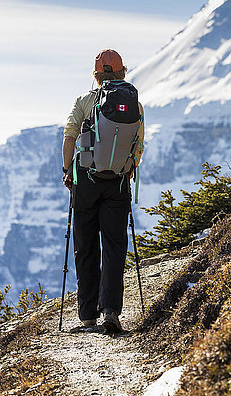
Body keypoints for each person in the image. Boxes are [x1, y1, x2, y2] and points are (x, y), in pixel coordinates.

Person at [62, 49, 144, 332]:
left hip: (86, 180)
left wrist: (67, 172)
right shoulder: (133, 103)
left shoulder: (84, 101)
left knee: (85, 247)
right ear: (122, 72)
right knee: (114, 245)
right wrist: (127, 169)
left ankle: (87, 317)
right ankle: (111, 311)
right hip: (118, 183)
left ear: (96, 75)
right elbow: (138, 145)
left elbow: (70, 137)